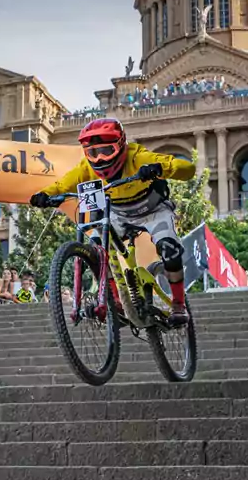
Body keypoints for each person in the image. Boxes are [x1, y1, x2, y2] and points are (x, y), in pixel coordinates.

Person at [29, 117, 196, 326]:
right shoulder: (85, 168)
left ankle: (179, 304)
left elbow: (188, 169)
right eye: (92, 153)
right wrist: (44, 195)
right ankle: (116, 301)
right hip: (118, 212)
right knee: (96, 248)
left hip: (153, 210)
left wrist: (159, 169)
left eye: (106, 151)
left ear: (120, 145)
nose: (99, 159)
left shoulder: (138, 157)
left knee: (168, 248)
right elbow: (63, 184)